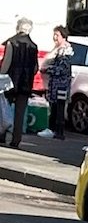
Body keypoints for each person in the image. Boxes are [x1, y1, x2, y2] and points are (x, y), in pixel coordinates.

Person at [1, 18, 39, 148]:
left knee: (4, 109)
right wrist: (28, 76)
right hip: (25, 83)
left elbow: (6, 63)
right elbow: (35, 68)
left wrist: (1, 76)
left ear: (18, 27)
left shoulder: (12, 43)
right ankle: (16, 139)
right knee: (20, 113)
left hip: (10, 82)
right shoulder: (33, 46)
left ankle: (2, 134)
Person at [38, 25, 73, 140]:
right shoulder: (59, 49)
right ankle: (53, 130)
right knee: (55, 107)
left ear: (63, 36)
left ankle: (57, 131)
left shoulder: (64, 50)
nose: (54, 37)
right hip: (56, 84)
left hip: (60, 85)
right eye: (54, 35)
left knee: (59, 108)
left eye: (57, 35)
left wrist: (47, 69)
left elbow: (62, 68)